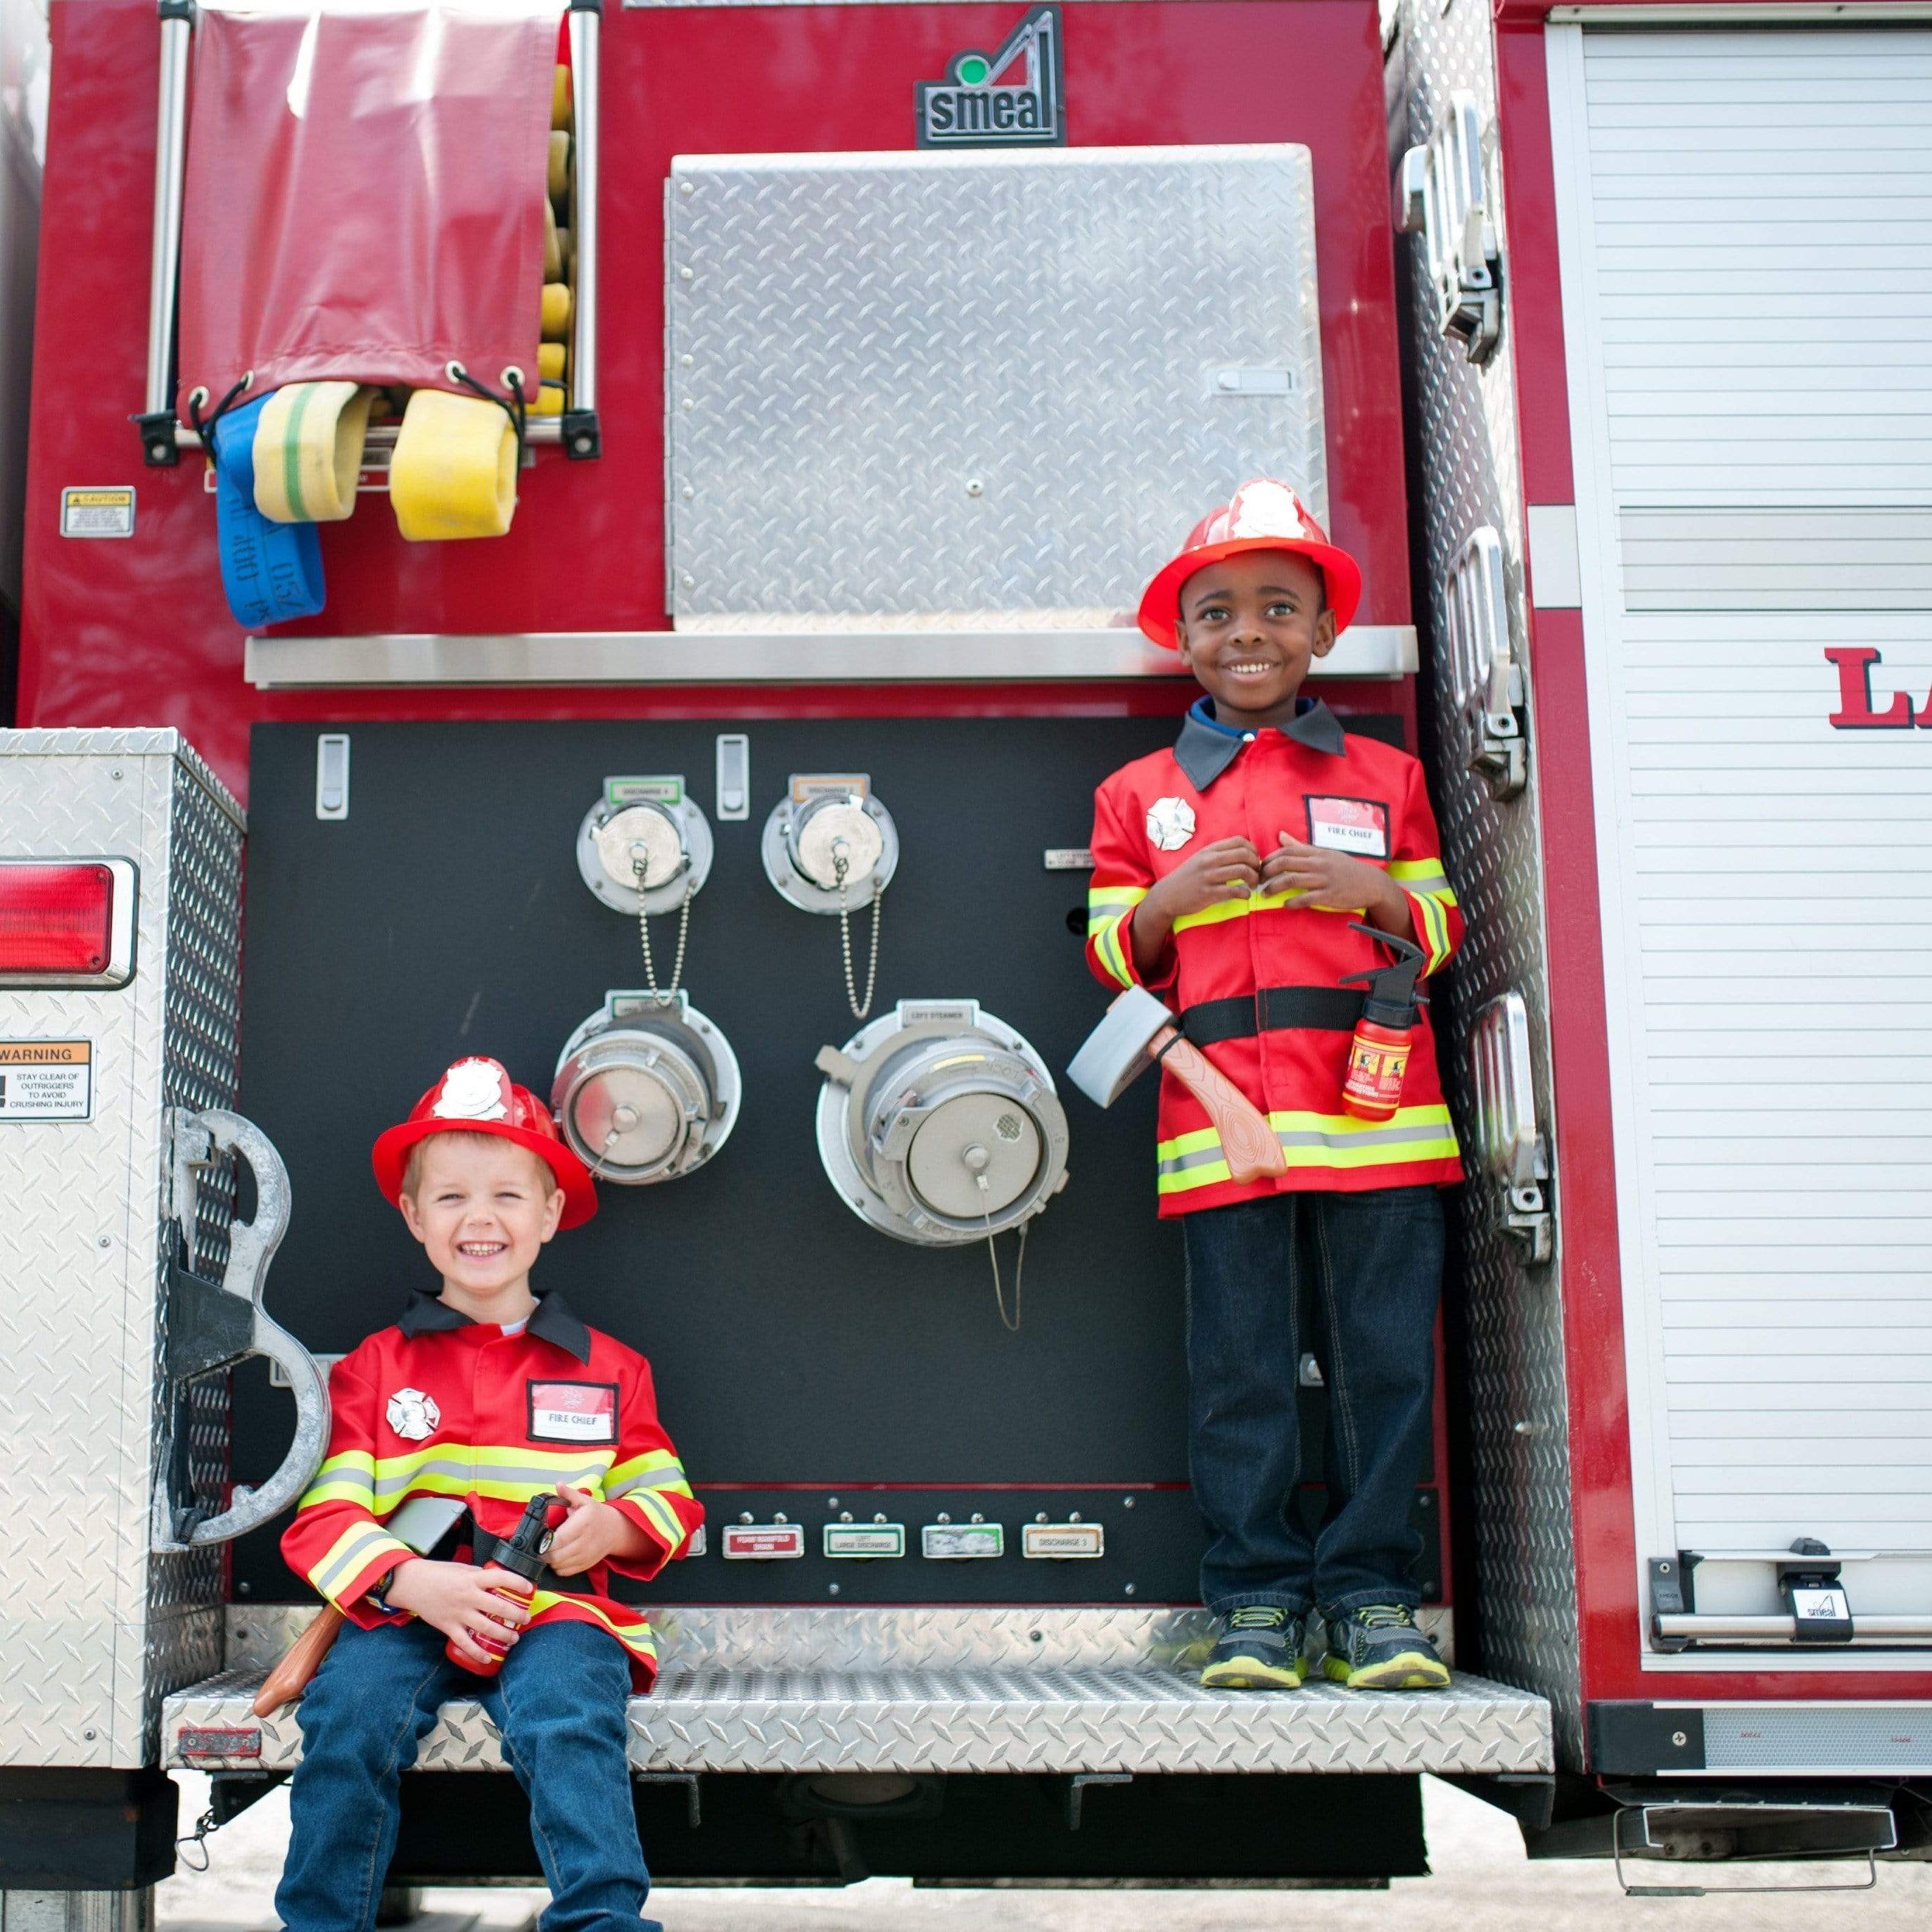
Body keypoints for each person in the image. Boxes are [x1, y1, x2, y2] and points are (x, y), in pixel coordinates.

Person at [1083, 480, 1462, 1693]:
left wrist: (1376, 898)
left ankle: (1372, 1603)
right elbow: (1108, 957)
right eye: (1216, 612)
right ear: (1179, 636)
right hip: (1220, 1133)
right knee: (1241, 1375)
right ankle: (1251, 1600)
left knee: (1384, 1369)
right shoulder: (1137, 794)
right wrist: (1165, 902)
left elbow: (1442, 928)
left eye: (1277, 607)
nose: (1246, 633)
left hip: (1380, 1127)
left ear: (1323, 633)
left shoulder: (1389, 774)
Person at [276, 1056, 702, 1932]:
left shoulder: (610, 1369)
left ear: (549, 1213)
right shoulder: (376, 1366)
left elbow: (669, 1500)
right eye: (452, 1197)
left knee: (570, 1722)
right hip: (405, 1610)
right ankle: (319, 1922)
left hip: (553, 1611)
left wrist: (610, 1530)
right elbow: (323, 1519)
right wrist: (411, 1581)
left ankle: (602, 1922)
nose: (480, 1219)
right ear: (413, 1215)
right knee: (345, 1718)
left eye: (509, 1195)